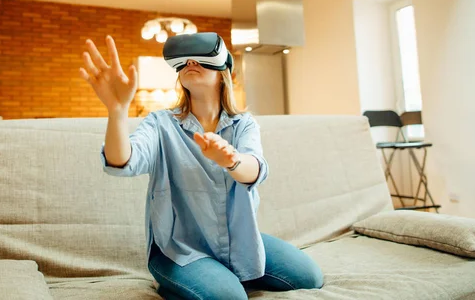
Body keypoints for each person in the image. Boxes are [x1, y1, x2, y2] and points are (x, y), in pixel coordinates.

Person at [80, 34, 323, 299]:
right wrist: (117, 111)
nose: (191, 63)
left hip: (237, 238)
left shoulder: (243, 124)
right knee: (232, 297)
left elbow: (255, 170)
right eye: (183, 63)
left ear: (223, 73)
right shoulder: (160, 124)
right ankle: (177, 281)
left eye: (201, 60)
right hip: (180, 248)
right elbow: (124, 161)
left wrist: (231, 160)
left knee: (309, 277)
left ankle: (212, 277)